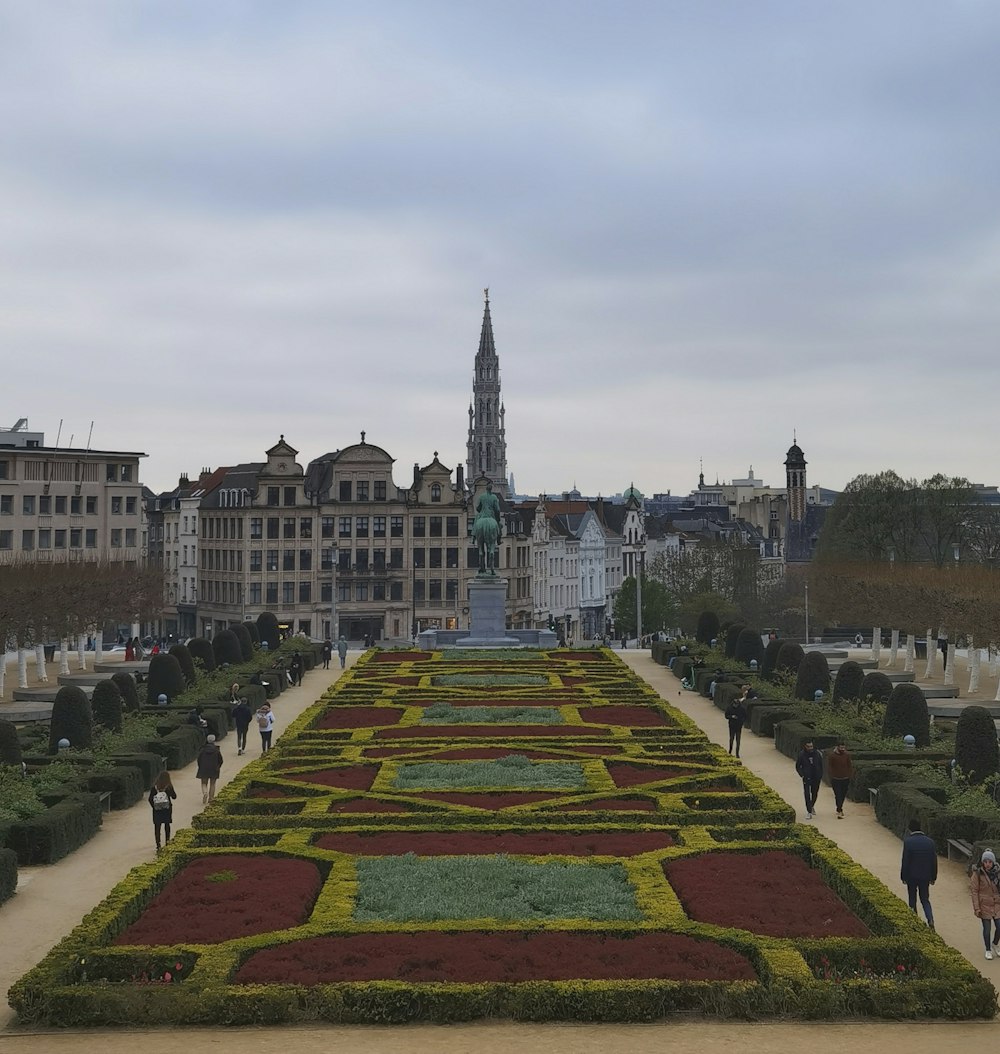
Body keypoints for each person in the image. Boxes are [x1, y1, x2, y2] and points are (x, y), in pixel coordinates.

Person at [900, 817, 937, 930]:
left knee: (912, 899)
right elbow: (934, 861)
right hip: (925, 876)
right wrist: (933, 877)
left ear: (910, 829)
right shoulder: (930, 842)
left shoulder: (908, 842)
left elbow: (905, 861)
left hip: (912, 876)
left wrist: (903, 876)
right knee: (925, 899)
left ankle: (914, 923)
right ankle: (930, 919)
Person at [972, 849, 1000, 958]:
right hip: (984, 904)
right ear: (982, 862)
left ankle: (995, 944)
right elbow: (974, 891)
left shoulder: (998, 873)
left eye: (990, 862)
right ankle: (988, 949)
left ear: (993, 862)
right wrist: (977, 908)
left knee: (999, 926)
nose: (987, 864)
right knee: (987, 929)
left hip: (997, 904)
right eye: (985, 862)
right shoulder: (978, 874)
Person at [795, 740, 824, 819]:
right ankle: (809, 811)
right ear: (805, 746)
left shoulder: (817, 754)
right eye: (808, 746)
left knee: (814, 793)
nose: (810, 748)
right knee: (807, 794)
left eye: (811, 746)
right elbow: (798, 766)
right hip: (807, 777)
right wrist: (802, 774)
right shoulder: (802, 754)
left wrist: (820, 775)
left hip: (816, 777)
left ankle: (811, 806)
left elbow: (821, 765)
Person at [149, 771, 176, 851]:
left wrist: (154, 807)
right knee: (167, 825)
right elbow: (174, 796)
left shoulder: (154, 787)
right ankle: (167, 841)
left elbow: (150, 799)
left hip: (157, 810)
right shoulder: (168, 787)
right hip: (167, 809)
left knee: (157, 827)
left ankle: (158, 844)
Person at [827, 740, 854, 818]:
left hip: (845, 778)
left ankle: (839, 808)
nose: (842, 749)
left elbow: (849, 765)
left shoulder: (847, 755)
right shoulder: (832, 756)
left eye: (843, 747)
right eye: (841, 747)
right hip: (836, 779)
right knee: (838, 795)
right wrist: (831, 776)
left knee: (843, 795)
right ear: (838, 747)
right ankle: (839, 810)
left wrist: (850, 775)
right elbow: (830, 767)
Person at [196, 734, 223, 805]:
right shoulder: (216, 750)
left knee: (204, 783)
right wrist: (218, 767)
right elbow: (220, 760)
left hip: (204, 768)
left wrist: (200, 766)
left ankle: (205, 792)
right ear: (214, 740)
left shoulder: (203, 749)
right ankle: (211, 798)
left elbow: (199, 759)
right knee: (212, 784)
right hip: (214, 769)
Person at [724, 692, 748, 758]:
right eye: (735, 705)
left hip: (738, 726)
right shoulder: (729, 708)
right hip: (732, 725)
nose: (736, 706)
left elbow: (745, 716)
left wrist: (741, 721)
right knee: (731, 739)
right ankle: (730, 750)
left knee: (738, 740)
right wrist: (731, 716)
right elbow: (726, 716)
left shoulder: (742, 709)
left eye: (737, 705)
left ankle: (737, 753)